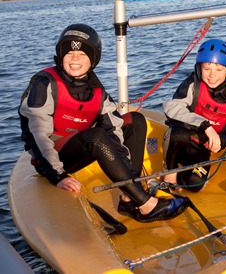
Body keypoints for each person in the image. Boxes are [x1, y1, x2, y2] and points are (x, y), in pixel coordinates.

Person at [19, 23, 188, 223]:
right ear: (60, 56)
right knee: (96, 136)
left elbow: (114, 130)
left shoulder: (97, 91)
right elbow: (36, 133)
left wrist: (124, 172)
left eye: (82, 54)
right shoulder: (45, 84)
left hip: (80, 146)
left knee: (135, 120)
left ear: (93, 60)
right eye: (70, 53)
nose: (75, 58)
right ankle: (146, 204)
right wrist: (57, 175)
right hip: (51, 157)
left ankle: (129, 197)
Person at [162, 38, 226, 192]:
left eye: (219, 69)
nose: (212, 75)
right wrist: (205, 125)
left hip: (202, 149)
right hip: (181, 141)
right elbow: (172, 108)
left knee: (194, 184)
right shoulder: (191, 85)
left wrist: (222, 140)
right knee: (178, 133)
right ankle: (170, 172)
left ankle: (183, 177)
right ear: (198, 68)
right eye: (206, 68)